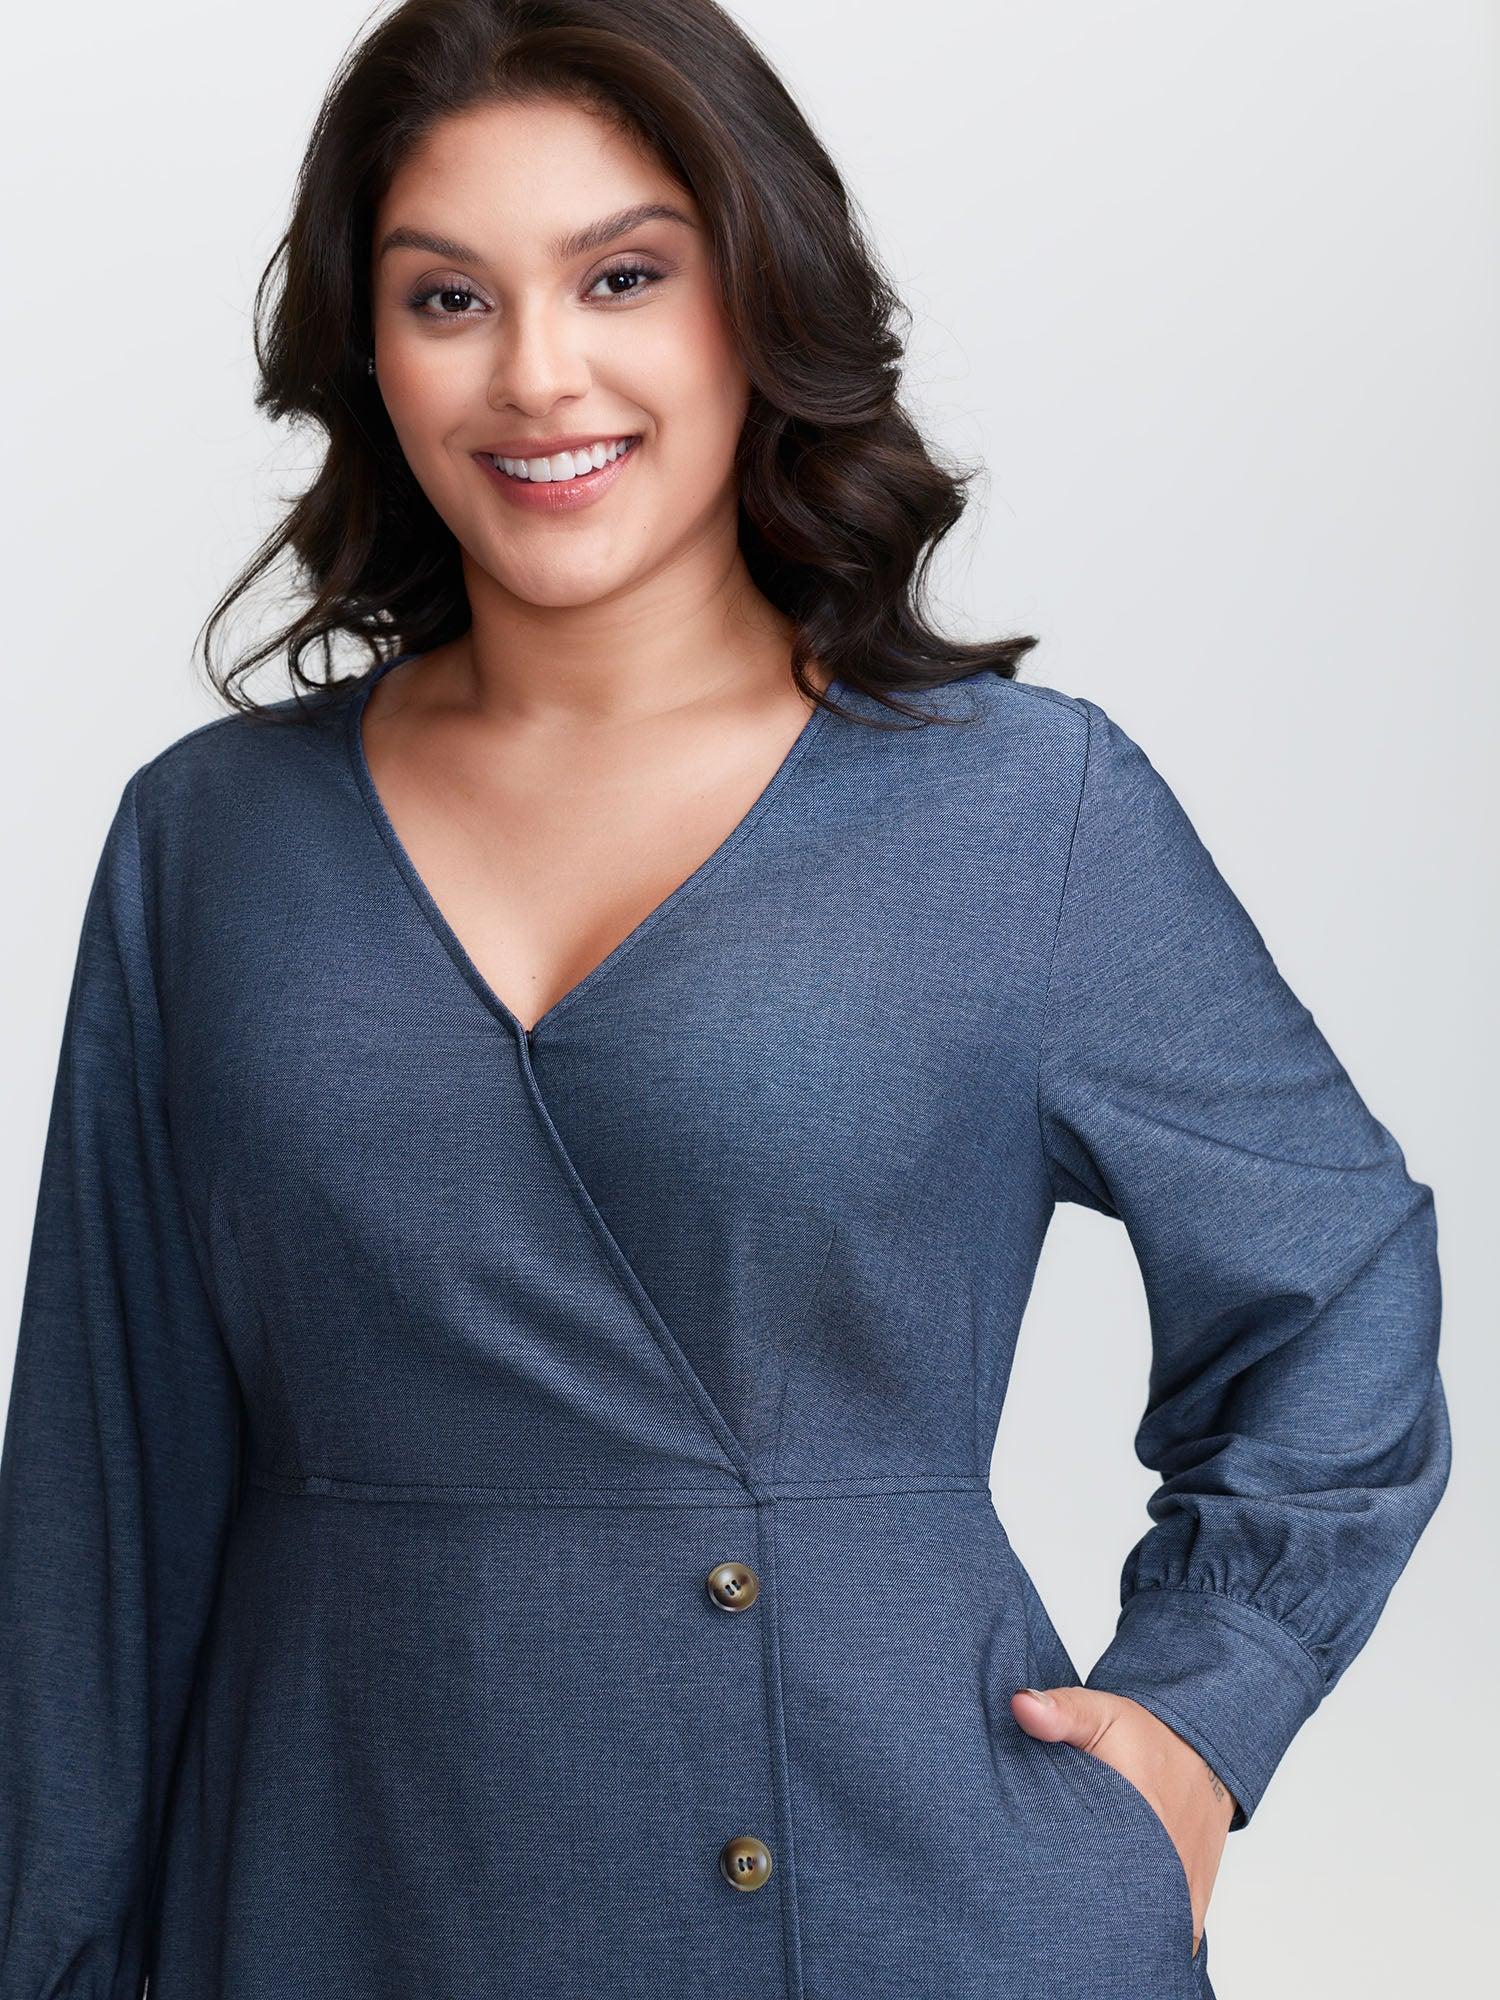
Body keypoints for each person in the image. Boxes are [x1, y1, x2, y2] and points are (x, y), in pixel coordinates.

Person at [0, 2, 1450, 1996]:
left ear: (755, 298)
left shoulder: (1021, 810)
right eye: (447, 297)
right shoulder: (209, 845)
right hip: (338, 1902)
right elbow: (101, 1509)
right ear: (367, 353)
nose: (538, 372)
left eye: (622, 276)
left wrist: (1208, 1712)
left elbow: (1339, 1279)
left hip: (905, 1900)